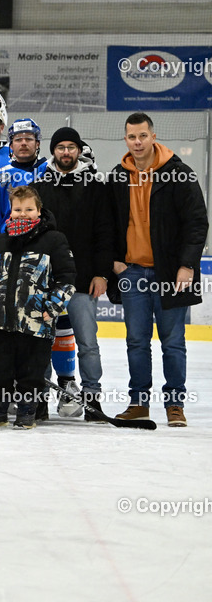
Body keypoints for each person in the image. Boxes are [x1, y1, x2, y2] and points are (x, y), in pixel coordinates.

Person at [108, 113, 207, 427]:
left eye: (142, 136)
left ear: (153, 136)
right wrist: (115, 262)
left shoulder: (179, 174)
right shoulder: (118, 177)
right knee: (136, 342)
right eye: (131, 137)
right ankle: (139, 403)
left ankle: (175, 404)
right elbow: (106, 223)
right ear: (125, 139)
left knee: (173, 342)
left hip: (170, 274)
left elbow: (197, 223)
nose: (137, 142)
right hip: (132, 274)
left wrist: (187, 265)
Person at [0, 185, 75, 429]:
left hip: (36, 322)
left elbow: (67, 279)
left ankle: (28, 410)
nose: (23, 214)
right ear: (10, 211)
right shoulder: (1, 241)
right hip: (1, 320)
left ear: (39, 211)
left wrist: (52, 307)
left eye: (29, 209)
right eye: (18, 209)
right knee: (0, 368)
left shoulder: (54, 240)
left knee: (32, 370)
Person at [32, 127, 114, 421]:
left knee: (88, 344)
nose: (66, 152)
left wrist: (102, 273)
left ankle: (92, 399)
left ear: (79, 150)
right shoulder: (39, 187)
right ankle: (39, 400)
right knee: (41, 343)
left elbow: (105, 233)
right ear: (53, 151)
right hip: (45, 282)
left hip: (83, 280)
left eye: (71, 147)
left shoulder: (96, 187)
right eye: (60, 147)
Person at [0, 118, 48, 238]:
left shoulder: (50, 170)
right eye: (18, 139)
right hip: (9, 240)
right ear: (11, 145)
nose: (23, 143)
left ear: (37, 143)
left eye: (28, 139)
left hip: (44, 239)